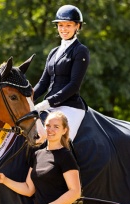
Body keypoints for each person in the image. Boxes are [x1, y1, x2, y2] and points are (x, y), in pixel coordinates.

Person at [0, 111, 81, 204]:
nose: (50, 129)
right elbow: (29, 189)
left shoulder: (66, 156)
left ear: (64, 130)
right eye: (48, 125)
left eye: (56, 127)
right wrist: (5, 180)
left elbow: (75, 192)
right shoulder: (37, 154)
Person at [33, 4, 90, 141]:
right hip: (51, 107)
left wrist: (47, 102)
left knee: (58, 141)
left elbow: (74, 85)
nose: (64, 29)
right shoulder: (54, 52)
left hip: (70, 106)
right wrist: (28, 99)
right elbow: (43, 82)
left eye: (68, 25)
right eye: (61, 25)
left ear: (77, 26)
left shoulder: (80, 50)